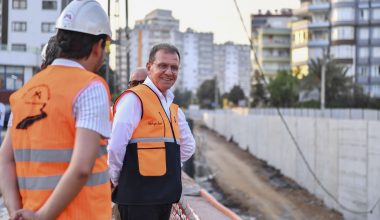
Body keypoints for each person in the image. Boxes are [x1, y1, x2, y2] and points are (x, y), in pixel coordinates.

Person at [0, 1, 113, 219]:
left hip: (30, 213)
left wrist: (16, 212)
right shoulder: (90, 86)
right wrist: (44, 216)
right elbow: (82, 167)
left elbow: (5, 159)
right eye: (106, 47)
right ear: (98, 45)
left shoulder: (25, 91)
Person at [108, 43, 196, 220]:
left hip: (163, 199)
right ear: (149, 67)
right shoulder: (134, 99)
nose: (169, 72)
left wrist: (164, 165)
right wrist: (121, 182)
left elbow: (188, 147)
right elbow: (115, 147)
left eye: (174, 67)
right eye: (163, 65)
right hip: (137, 200)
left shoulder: (171, 107)